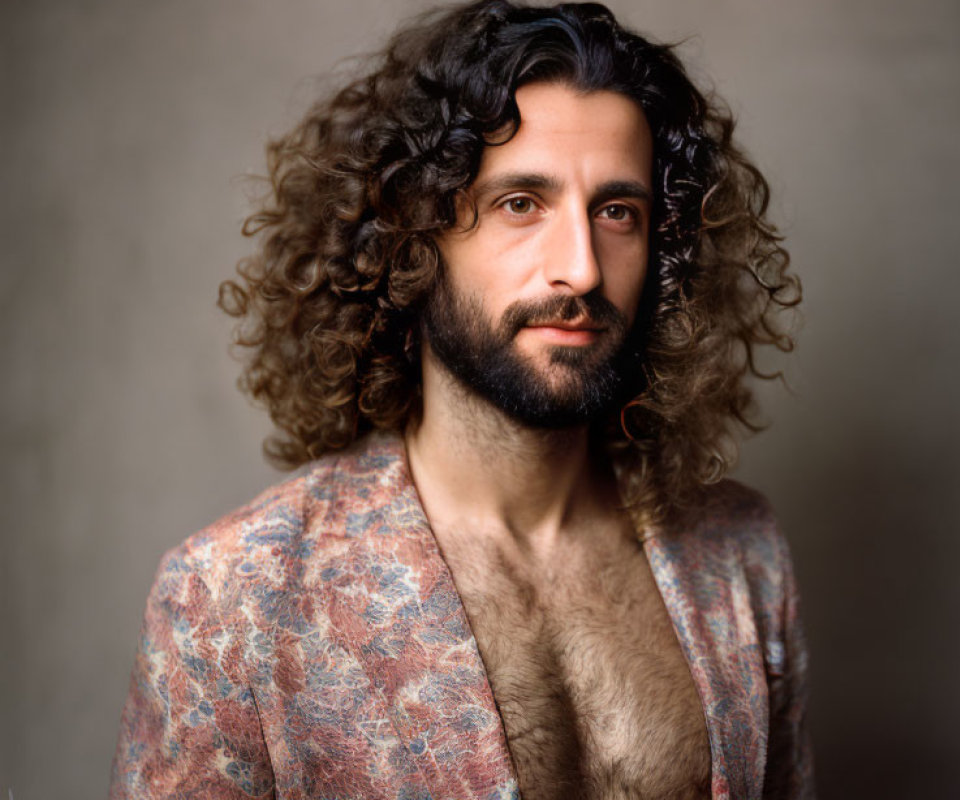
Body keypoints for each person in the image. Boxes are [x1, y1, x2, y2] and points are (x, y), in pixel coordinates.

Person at [110, 2, 813, 798]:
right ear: (413, 238)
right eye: (521, 204)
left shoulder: (740, 554)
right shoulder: (233, 599)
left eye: (618, 212)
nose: (580, 269)